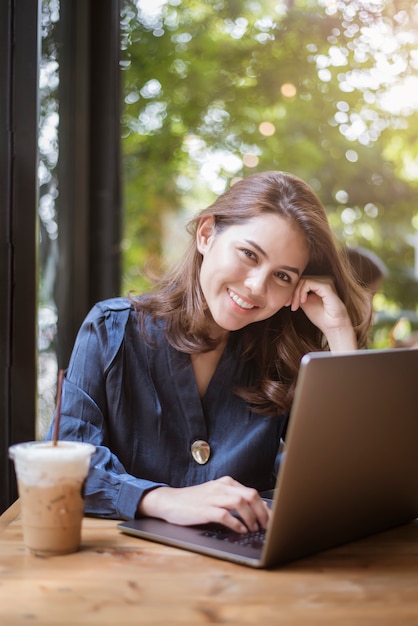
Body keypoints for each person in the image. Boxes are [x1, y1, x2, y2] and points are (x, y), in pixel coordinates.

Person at [46, 171, 371, 535]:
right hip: (124, 567)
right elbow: (62, 466)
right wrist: (163, 499)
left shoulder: (284, 357)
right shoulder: (112, 329)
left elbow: (348, 481)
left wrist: (339, 333)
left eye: (283, 277)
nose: (256, 287)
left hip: (250, 570)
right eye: (249, 254)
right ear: (206, 234)